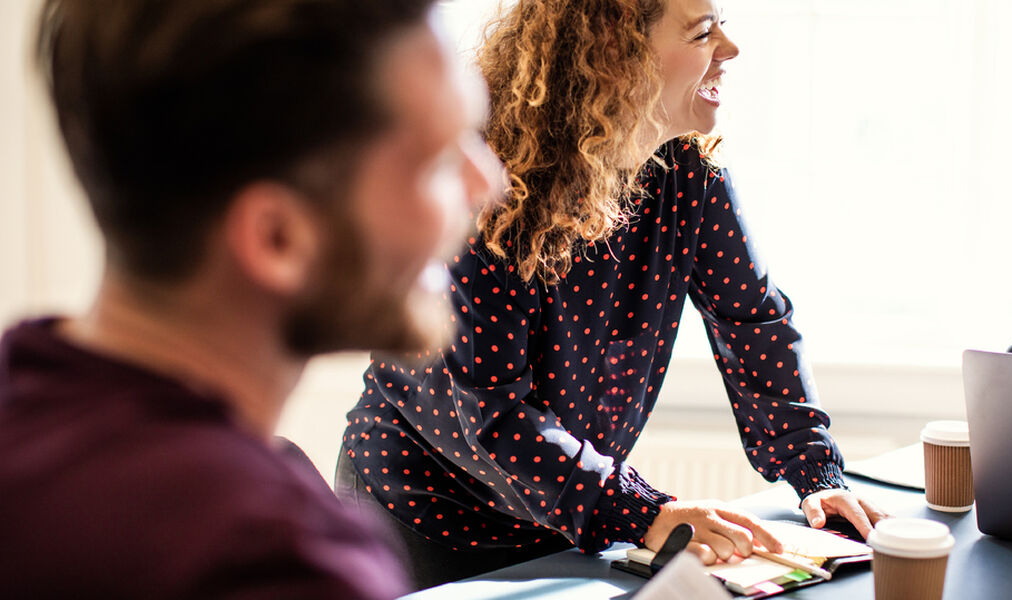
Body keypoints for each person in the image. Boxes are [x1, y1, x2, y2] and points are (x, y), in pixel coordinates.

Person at [340, 0, 886, 589]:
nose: (729, 50)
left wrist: (817, 474)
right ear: (617, 53)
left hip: (565, 515)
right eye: (703, 32)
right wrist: (643, 512)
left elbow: (752, 324)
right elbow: (495, 413)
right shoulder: (493, 184)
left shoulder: (687, 173)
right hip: (426, 517)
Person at [0, 0, 497, 597]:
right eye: (439, 161)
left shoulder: (23, 399)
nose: (487, 182)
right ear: (277, 238)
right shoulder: (281, 566)